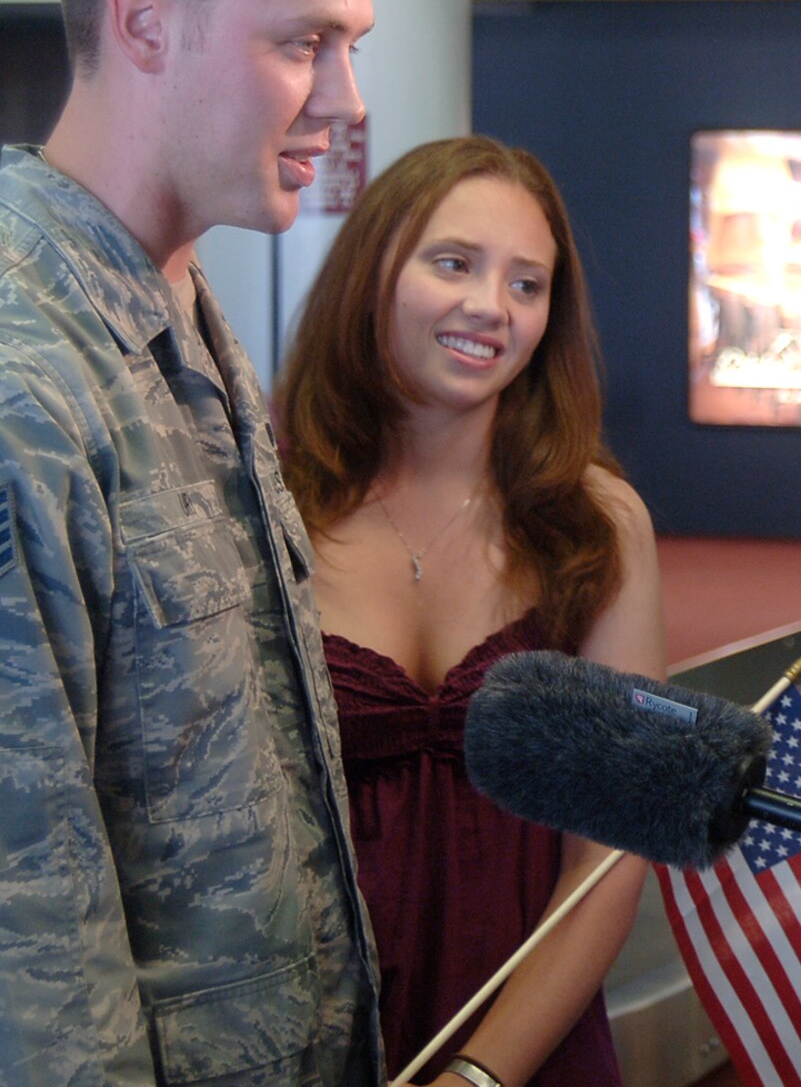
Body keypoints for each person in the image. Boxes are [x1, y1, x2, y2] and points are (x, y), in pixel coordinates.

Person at [0, 0, 380, 1083]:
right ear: (142, 22)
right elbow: (9, 970)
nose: (344, 102)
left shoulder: (182, 324)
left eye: (351, 48)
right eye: (303, 42)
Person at [275, 135, 666, 1087]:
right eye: (454, 263)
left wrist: (482, 1074)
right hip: (307, 1030)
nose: (491, 307)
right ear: (373, 271)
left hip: (528, 1041)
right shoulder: (267, 504)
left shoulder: (596, 522)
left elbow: (612, 850)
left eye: (527, 284)